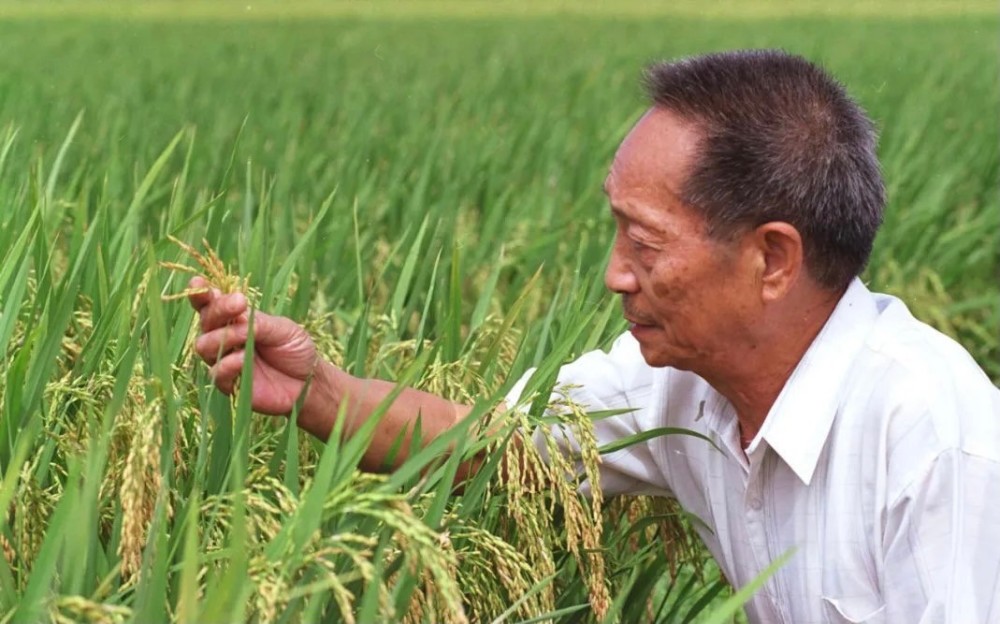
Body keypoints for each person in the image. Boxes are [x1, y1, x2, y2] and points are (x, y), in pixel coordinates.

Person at [188, 50, 1000, 623]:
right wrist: (319, 391)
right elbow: (499, 448)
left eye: (643, 244)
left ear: (773, 258)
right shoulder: (678, 385)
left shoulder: (936, 443)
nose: (614, 274)